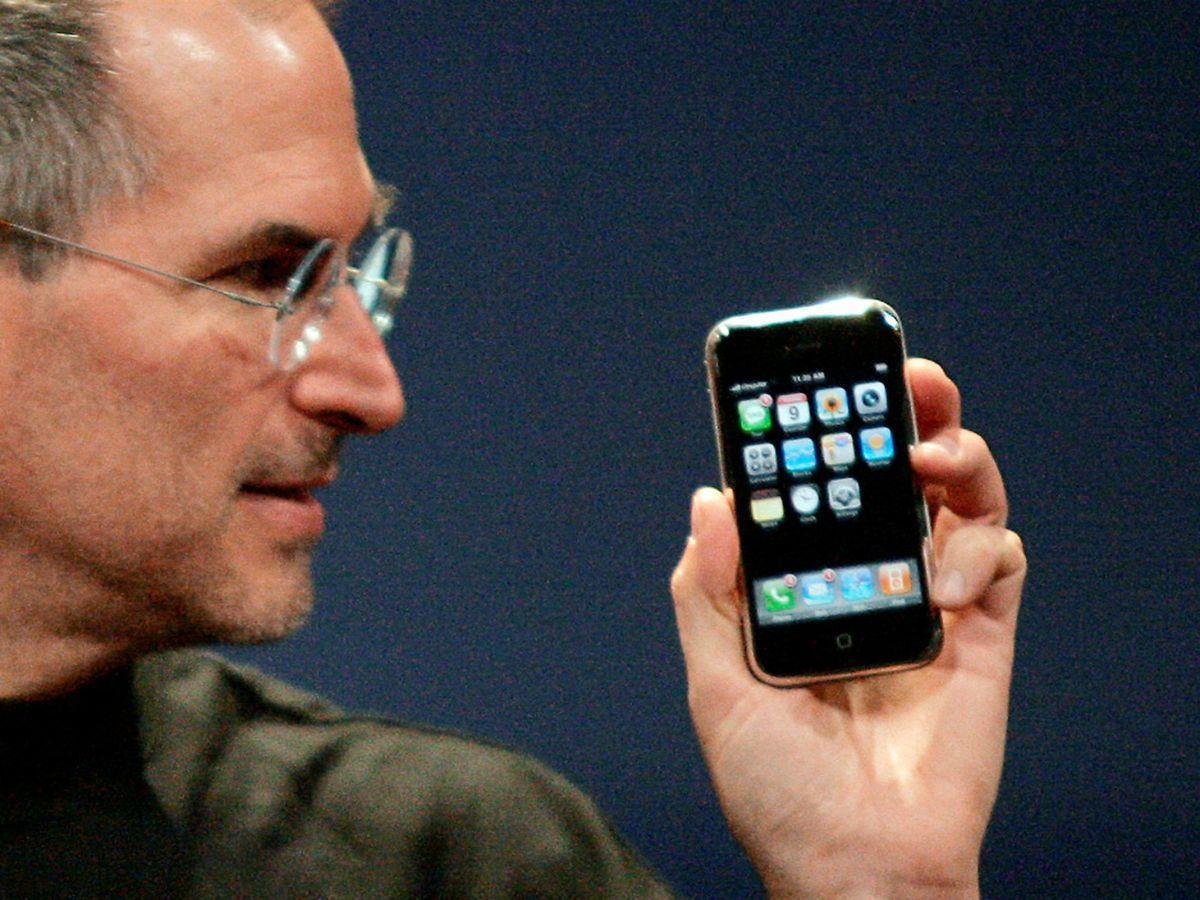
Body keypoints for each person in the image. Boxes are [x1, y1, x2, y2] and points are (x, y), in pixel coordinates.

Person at [0, 0, 1026, 896]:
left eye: (353, 275)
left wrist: (878, 881)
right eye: (267, 276)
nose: (373, 393)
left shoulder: (456, 865)